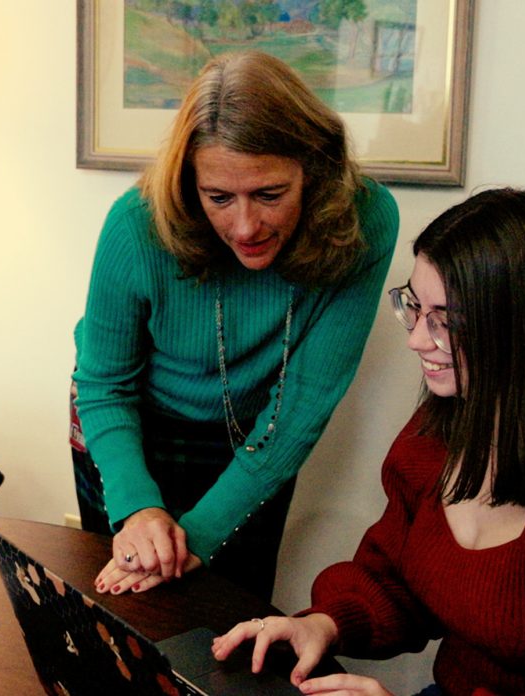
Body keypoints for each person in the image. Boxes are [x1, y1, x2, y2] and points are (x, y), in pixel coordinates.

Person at [212, 188, 525, 695]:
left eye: (446, 321)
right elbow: (397, 581)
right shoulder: (430, 441)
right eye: (413, 306)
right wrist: (322, 625)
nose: (416, 339)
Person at [70, 50, 399, 601]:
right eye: (218, 197)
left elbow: (301, 406)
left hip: (257, 439)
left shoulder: (366, 221)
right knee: (127, 616)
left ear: (314, 170)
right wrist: (138, 507)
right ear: (188, 182)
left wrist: (193, 540)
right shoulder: (136, 225)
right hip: (127, 425)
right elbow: (104, 385)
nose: (245, 226)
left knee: (229, 618)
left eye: (270, 194)